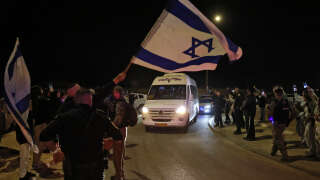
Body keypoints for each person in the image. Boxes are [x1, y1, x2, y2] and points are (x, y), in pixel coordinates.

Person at [104, 86, 129, 180]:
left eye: (115, 93)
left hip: (118, 129)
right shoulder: (124, 101)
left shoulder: (118, 102)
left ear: (118, 93)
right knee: (119, 153)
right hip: (122, 129)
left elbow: (118, 119)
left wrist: (110, 128)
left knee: (117, 154)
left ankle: (119, 175)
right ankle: (120, 173)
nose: (114, 94)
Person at [16, 100, 37, 180]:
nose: (31, 104)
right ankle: (22, 176)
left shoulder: (28, 113)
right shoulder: (24, 115)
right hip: (23, 139)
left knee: (27, 156)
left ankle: (25, 172)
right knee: (24, 157)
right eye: (30, 103)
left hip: (26, 138)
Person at [269, 88, 292, 161]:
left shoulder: (274, 102)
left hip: (277, 123)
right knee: (277, 136)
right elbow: (294, 112)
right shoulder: (287, 102)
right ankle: (273, 151)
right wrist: (288, 121)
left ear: (276, 94)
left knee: (279, 139)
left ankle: (285, 155)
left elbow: (269, 114)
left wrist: (272, 122)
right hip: (283, 123)